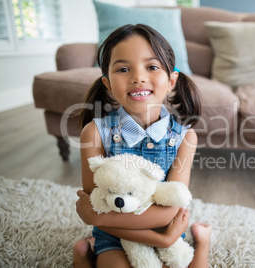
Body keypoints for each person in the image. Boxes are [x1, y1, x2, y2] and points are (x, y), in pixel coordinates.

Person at [72, 24, 212, 268]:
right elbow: (97, 204)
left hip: (164, 231)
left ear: (171, 80)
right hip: (113, 235)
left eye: (152, 67)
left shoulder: (184, 137)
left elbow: (169, 210)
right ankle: (85, 254)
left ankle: (203, 243)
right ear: (107, 84)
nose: (138, 77)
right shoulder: (95, 132)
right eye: (123, 69)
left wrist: (166, 238)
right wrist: (95, 215)